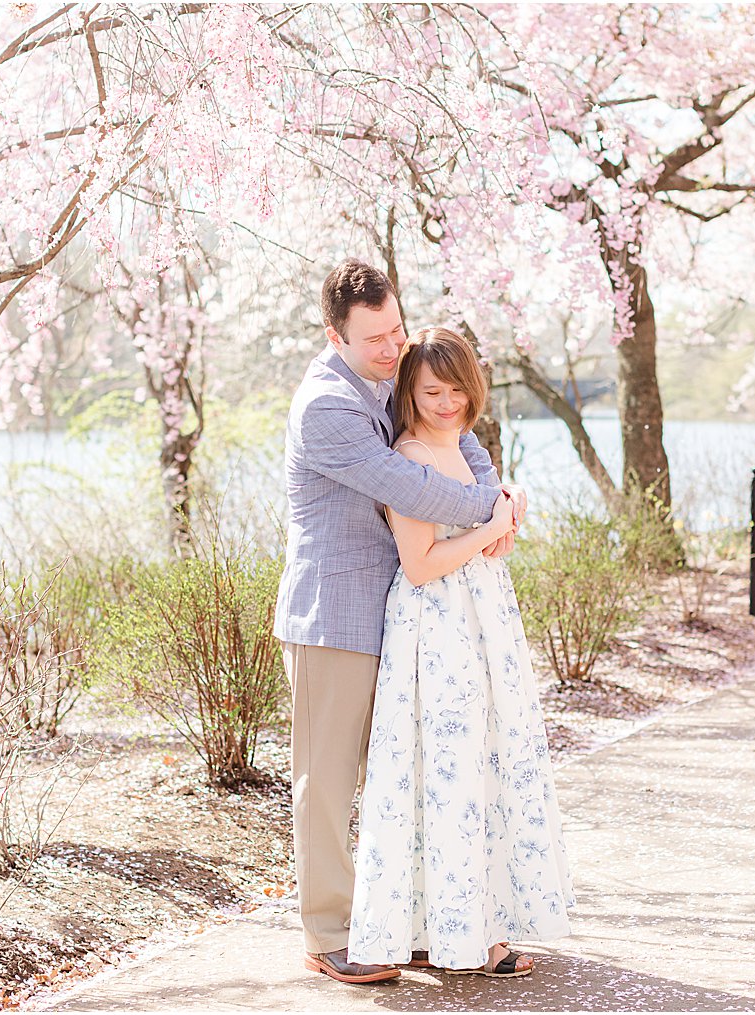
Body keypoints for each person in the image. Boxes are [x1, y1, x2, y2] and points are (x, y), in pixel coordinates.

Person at [275, 260, 526, 985]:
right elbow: (407, 482)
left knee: (403, 773)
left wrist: (498, 489)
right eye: (375, 339)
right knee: (326, 780)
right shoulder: (327, 403)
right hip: (337, 612)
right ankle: (328, 932)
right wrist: (492, 513)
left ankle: (412, 922)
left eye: (397, 331)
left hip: (407, 613)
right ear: (335, 335)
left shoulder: (391, 376)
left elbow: (455, 436)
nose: (392, 349)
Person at [346, 326, 574, 978]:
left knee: (485, 773)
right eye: (431, 391)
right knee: (447, 777)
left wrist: (503, 520)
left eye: (456, 389)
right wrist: (494, 528)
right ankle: (454, 934)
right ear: (410, 396)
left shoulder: (469, 455)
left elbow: (490, 526)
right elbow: (419, 564)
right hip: (437, 629)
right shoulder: (410, 454)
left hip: (482, 625)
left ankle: (479, 925)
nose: (447, 402)